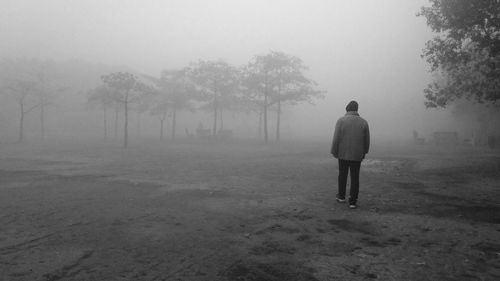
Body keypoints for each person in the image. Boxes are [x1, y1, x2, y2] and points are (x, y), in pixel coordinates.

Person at [331, 100, 370, 209]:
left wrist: (334, 151)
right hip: (357, 155)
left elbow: (336, 138)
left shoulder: (341, 121)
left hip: (343, 154)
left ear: (347, 109)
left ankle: (341, 196)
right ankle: (353, 201)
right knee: (355, 177)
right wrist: (364, 152)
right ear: (356, 109)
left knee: (342, 175)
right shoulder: (364, 122)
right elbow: (367, 140)